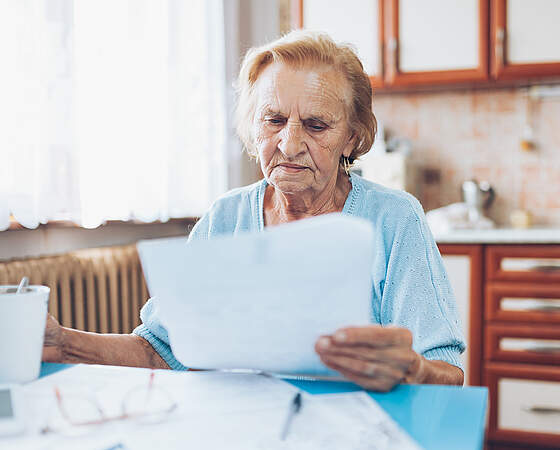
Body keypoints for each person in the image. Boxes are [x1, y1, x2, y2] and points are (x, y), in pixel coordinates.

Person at [43, 30, 465, 392]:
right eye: (274, 120)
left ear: (352, 139)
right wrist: (64, 344)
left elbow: (448, 372)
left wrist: (411, 368)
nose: (289, 143)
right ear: (253, 128)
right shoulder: (225, 218)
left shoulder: (394, 219)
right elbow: (160, 352)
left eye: (316, 125)